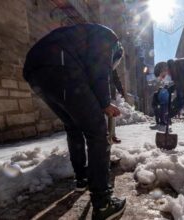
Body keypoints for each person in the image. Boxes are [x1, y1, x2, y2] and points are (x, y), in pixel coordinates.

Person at [23, 24, 126, 220]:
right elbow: (99, 71)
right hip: (59, 64)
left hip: (35, 71)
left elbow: (86, 88)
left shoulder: (83, 41)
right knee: (97, 134)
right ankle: (103, 204)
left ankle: (82, 178)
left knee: (73, 126)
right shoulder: (109, 38)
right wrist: (105, 104)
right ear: (117, 53)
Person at [108, 69, 125, 144]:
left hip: (110, 93)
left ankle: (112, 136)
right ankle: (103, 136)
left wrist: (120, 89)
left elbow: (115, 78)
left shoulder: (111, 64)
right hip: (99, 93)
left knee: (112, 115)